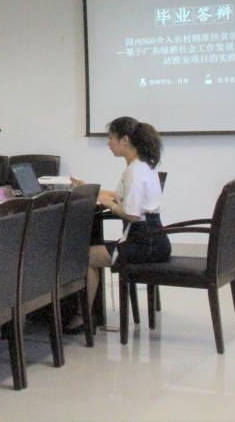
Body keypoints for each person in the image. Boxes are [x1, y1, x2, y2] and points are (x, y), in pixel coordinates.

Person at [68, 116, 170, 331]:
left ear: (125, 140)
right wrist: (90, 189)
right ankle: (85, 315)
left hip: (144, 244)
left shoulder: (134, 171)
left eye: (111, 138)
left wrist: (108, 203)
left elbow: (131, 214)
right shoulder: (143, 166)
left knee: (85, 257)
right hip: (154, 239)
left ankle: (83, 317)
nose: (108, 143)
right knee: (90, 252)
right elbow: (123, 196)